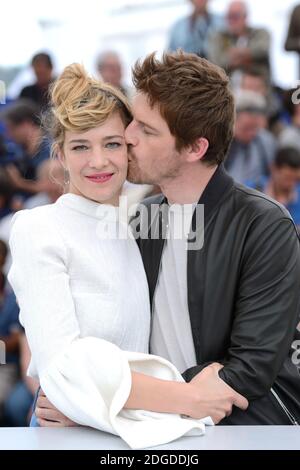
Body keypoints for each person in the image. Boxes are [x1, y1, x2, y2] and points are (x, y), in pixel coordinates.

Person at [34, 51, 300, 428]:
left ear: (195, 148)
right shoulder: (143, 217)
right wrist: (85, 399)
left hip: (242, 430)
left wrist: (101, 406)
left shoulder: (264, 225)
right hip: (160, 431)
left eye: (146, 129)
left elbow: (248, 372)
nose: (127, 137)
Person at [8, 64, 247, 448]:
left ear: (130, 148)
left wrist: (98, 405)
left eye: (112, 143)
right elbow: (63, 368)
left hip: (130, 428)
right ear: (60, 155)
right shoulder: (38, 228)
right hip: (72, 432)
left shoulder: (135, 228)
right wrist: (189, 398)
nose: (99, 161)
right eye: (80, 146)